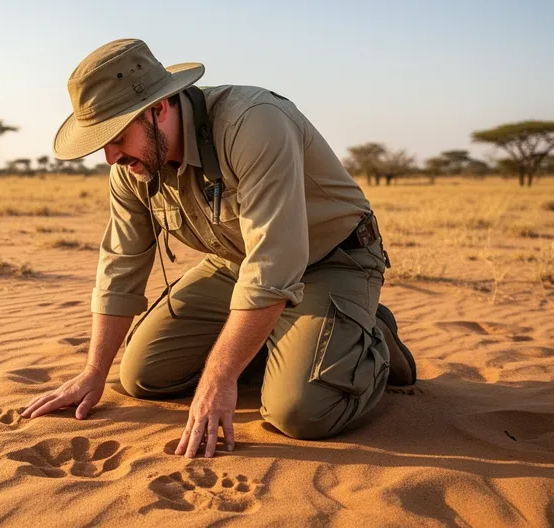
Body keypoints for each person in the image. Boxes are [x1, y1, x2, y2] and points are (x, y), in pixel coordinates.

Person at [21, 38, 416, 459]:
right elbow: (121, 265)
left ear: (159, 108)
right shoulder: (131, 167)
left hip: (332, 260)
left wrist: (219, 380)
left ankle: (370, 334)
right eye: (98, 141)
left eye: (116, 134)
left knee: (301, 412)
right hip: (235, 263)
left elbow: (273, 265)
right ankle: (288, 341)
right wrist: (93, 372)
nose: (109, 155)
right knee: (143, 377)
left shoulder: (253, 123)